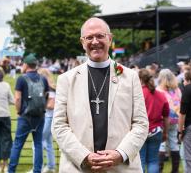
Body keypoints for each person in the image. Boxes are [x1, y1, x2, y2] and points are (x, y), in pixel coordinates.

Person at [52, 17, 149, 173]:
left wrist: (120, 153)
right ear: (82, 42)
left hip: (120, 167)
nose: (95, 41)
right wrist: (84, 156)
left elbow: (141, 123)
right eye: (89, 37)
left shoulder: (130, 77)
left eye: (100, 36)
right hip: (79, 168)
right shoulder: (66, 80)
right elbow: (59, 126)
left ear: (109, 39)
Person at [8, 54, 50, 173]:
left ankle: (11, 170)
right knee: (38, 144)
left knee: (17, 144)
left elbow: (17, 98)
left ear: (26, 64)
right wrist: (43, 109)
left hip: (25, 116)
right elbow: (46, 96)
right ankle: (37, 170)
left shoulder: (21, 78)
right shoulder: (43, 78)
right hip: (40, 116)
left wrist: (18, 111)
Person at [139, 69, 169, 173]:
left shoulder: (138, 94)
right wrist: (165, 132)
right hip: (156, 131)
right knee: (153, 161)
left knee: (140, 161)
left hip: (139, 131)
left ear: (140, 79)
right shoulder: (161, 95)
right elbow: (166, 116)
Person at [157, 69, 181, 173]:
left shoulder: (159, 90)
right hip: (175, 119)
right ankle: (175, 170)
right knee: (174, 143)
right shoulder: (177, 90)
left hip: (163, 120)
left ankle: (159, 169)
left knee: (161, 144)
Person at [37, 68, 56, 173]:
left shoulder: (49, 89)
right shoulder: (51, 88)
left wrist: (39, 105)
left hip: (48, 117)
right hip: (49, 118)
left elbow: (51, 105)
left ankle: (37, 168)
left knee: (37, 142)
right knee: (48, 143)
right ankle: (51, 166)